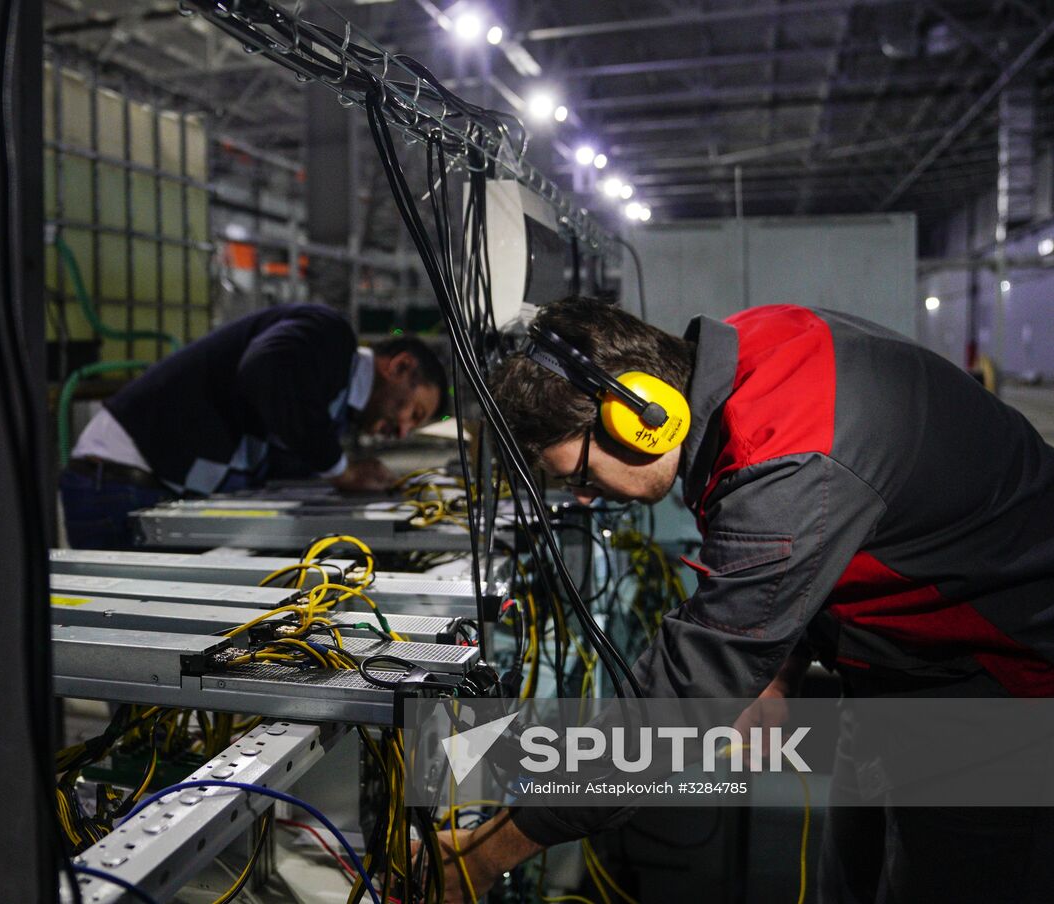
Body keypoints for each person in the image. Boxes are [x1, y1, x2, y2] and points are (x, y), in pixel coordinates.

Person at [441, 297, 1054, 903]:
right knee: (853, 880)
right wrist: (777, 672)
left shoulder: (786, 462)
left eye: (578, 475)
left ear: (640, 414)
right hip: (899, 670)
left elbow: (674, 708)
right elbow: (824, 544)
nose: (583, 498)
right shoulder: (749, 348)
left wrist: (484, 857)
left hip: (1000, 685)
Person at [59, 303, 447, 550]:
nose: (401, 432)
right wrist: (341, 470)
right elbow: (266, 369)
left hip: (148, 491)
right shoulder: (328, 335)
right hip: (119, 484)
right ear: (399, 367)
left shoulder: (328, 409)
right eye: (413, 412)